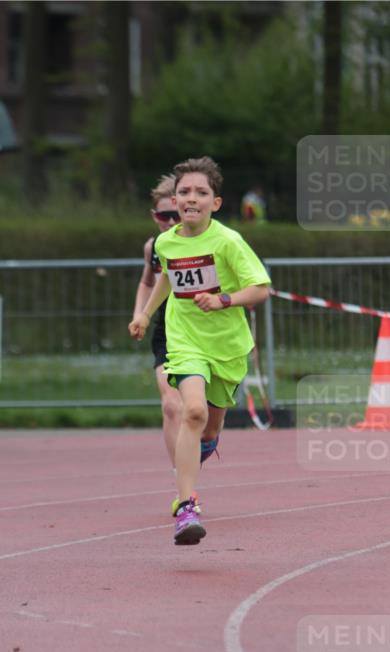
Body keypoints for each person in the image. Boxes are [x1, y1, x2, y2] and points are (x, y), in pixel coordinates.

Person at [129, 156, 270, 545]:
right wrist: (144, 314)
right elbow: (167, 279)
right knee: (191, 409)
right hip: (185, 340)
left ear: (216, 202)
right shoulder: (165, 242)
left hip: (226, 347)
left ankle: (204, 448)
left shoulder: (228, 241)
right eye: (184, 192)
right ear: (174, 201)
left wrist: (223, 299)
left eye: (201, 192)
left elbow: (260, 289)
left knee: (210, 426)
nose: (192, 198)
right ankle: (186, 506)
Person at [131, 174, 183, 468]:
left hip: (205, 329)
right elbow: (148, 282)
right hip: (168, 329)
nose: (171, 221)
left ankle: (203, 436)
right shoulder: (154, 248)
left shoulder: (207, 243)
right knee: (171, 405)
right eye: (165, 216)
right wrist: (141, 313)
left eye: (176, 215)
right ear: (155, 216)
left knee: (200, 415)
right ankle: (184, 485)